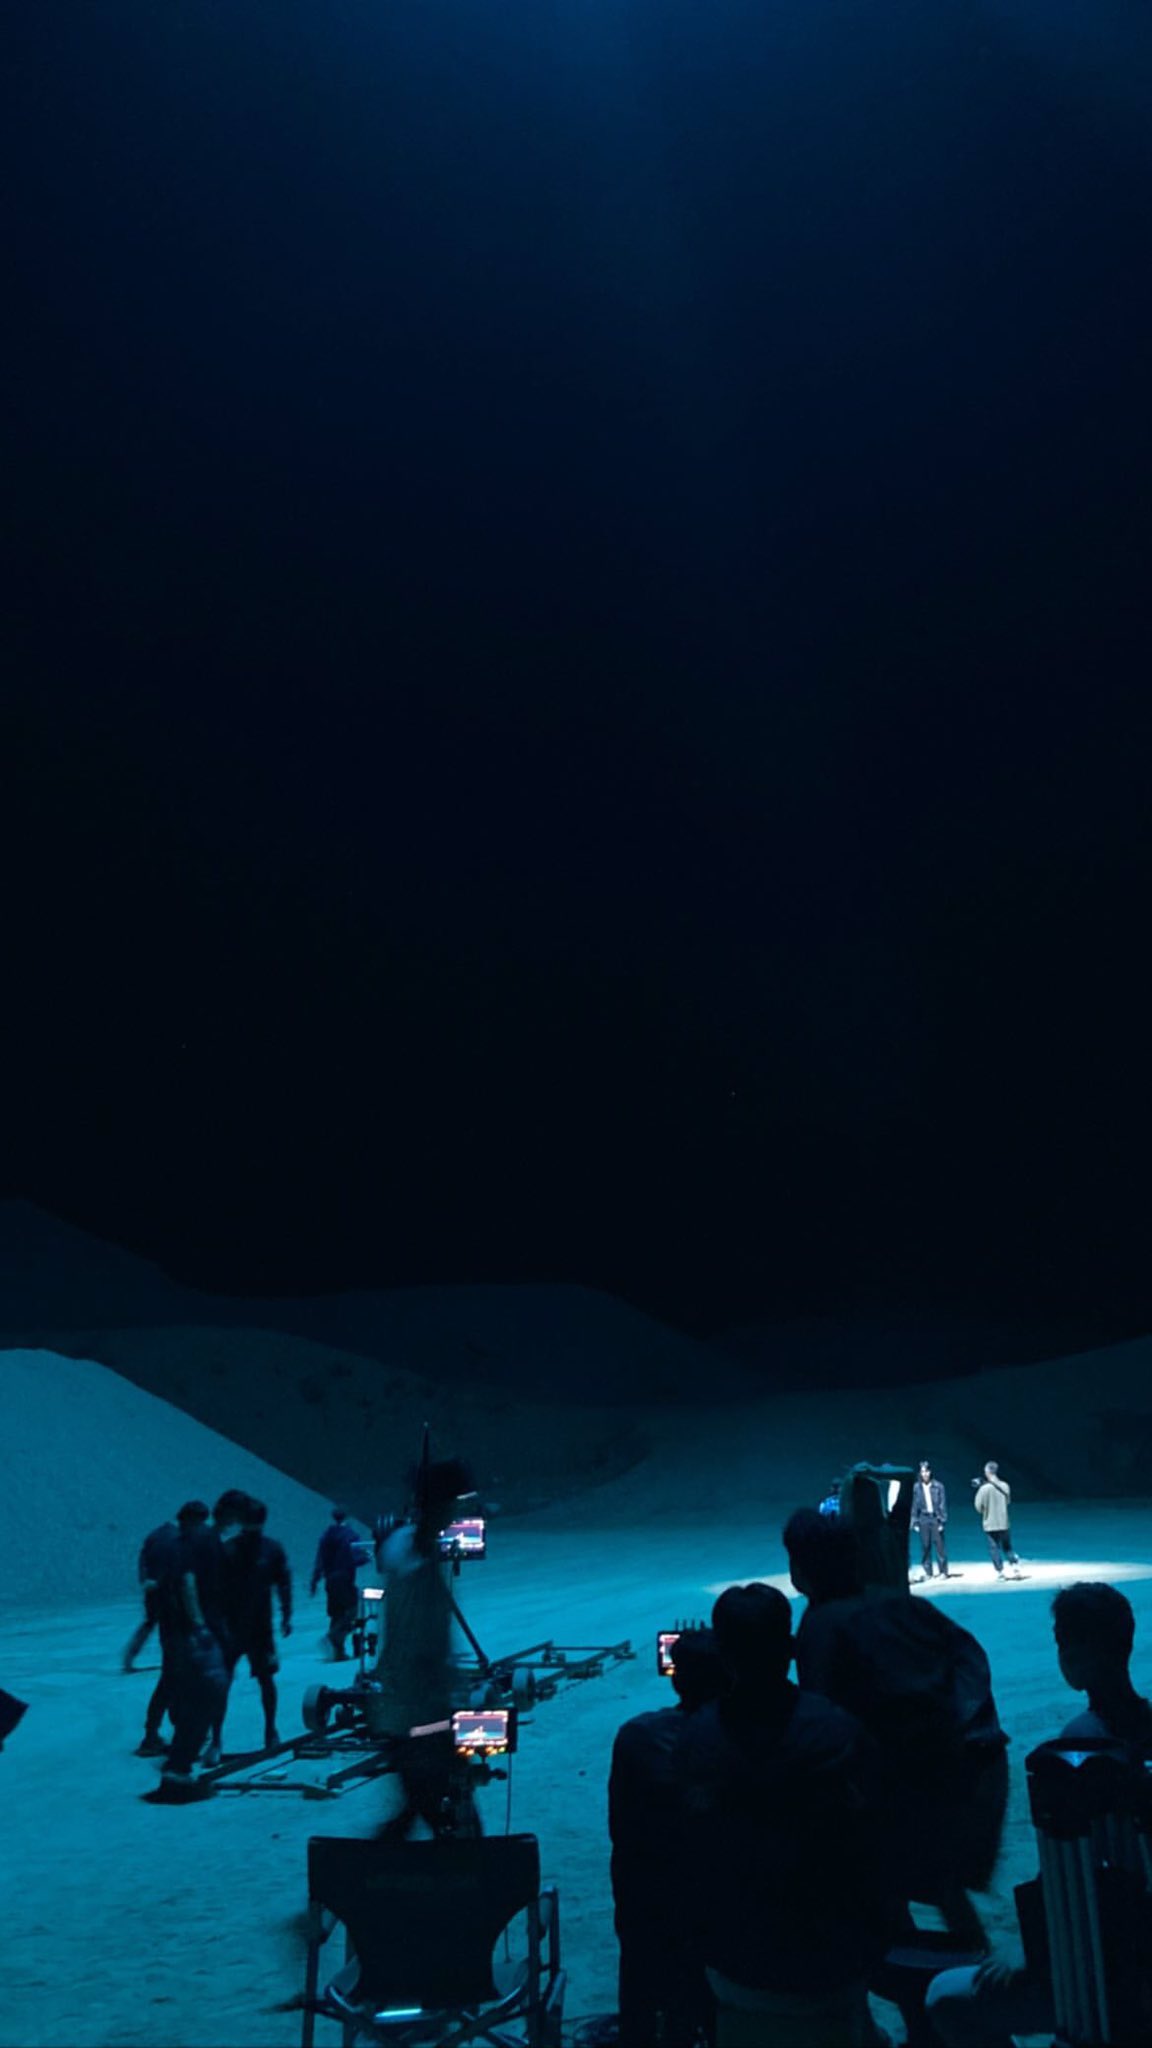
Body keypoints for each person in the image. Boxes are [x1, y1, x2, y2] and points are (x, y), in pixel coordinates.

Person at [926, 1583, 1152, 2048]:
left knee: (944, 1997)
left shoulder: (1077, 1749)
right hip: (1131, 1948)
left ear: (1075, 1653)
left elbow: (1078, 1882)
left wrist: (1031, 1950)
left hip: (1101, 1964)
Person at [676, 1583, 900, 2047]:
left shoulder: (695, 1739)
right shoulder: (837, 1730)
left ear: (722, 1654)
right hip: (832, 1966)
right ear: (791, 1648)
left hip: (735, 1963)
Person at [784, 1507, 1008, 1951]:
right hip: (973, 1762)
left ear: (801, 1569)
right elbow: (968, 1663)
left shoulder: (822, 1625)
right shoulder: (902, 1604)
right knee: (940, 1887)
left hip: (912, 1777)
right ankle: (969, 1965)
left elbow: (826, 1721)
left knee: (878, 1883)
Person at [609, 1629, 728, 2048]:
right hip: (722, 1910)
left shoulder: (637, 1736)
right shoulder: (744, 1740)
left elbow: (621, 1829)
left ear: (678, 1679)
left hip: (647, 1904)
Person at [372, 1457, 475, 1839]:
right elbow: (417, 1647)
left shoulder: (405, 1545)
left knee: (418, 1808)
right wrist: (445, 1706)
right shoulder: (417, 1564)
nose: (459, 1512)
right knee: (445, 1816)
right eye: (455, 1503)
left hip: (409, 1712)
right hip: (419, 1714)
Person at [146, 1508, 231, 1801]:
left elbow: (156, 1582)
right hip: (188, 1633)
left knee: (174, 1683)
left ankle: (159, 1739)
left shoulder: (166, 1542)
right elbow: (188, 1584)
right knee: (202, 1692)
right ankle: (178, 1769)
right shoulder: (190, 1545)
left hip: (172, 1628)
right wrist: (200, 1625)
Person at [206, 1495, 292, 1762]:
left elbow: (283, 1583)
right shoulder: (234, 1550)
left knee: (262, 1680)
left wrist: (286, 1615)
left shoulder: (268, 1550)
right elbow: (215, 1589)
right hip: (234, 1629)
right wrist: (286, 1615)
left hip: (255, 1629)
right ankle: (218, 1739)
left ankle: (269, 1732)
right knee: (225, 1684)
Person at [134, 1500, 210, 1756]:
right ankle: (160, 1734)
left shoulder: (156, 1536)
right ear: (192, 1520)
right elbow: (185, 1585)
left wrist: (152, 1609)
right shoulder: (178, 1542)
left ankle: (160, 1732)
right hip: (179, 1620)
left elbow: (146, 1574)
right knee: (177, 1677)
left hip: (165, 1617)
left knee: (173, 1676)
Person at [123, 1510, 185, 1673]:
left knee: (150, 1623)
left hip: (152, 1588)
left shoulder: (155, 1535)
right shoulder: (176, 1537)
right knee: (171, 1625)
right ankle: (173, 1660)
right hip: (167, 1589)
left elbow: (143, 1560)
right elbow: (174, 1564)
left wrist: (145, 1580)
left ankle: (129, 1659)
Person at [310, 1504, 369, 1660]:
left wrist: (315, 1579)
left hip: (330, 1579)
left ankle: (337, 1652)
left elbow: (319, 1559)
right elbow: (356, 1557)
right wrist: (367, 1557)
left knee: (336, 1613)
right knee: (352, 1609)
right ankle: (333, 1636)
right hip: (345, 1578)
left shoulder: (325, 1536)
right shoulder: (350, 1535)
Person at [972, 1463, 1021, 1579]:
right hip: (1004, 1522)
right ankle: (1014, 1565)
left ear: (987, 1472)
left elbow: (978, 1507)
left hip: (990, 1523)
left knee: (994, 1548)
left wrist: (986, 1510)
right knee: (1007, 1546)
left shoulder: (984, 1489)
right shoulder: (1005, 1486)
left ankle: (1000, 1572)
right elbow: (1008, 1502)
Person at [911, 1461, 950, 1580]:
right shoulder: (917, 1487)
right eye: (922, 1471)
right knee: (925, 1546)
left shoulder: (938, 1486)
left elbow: (942, 1504)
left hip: (935, 1518)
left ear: (930, 1472)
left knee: (939, 1546)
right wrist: (915, 1521)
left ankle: (943, 1571)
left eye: (927, 1471)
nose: (925, 1474)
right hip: (923, 1518)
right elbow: (914, 1505)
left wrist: (942, 1521)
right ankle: (928, 1572)